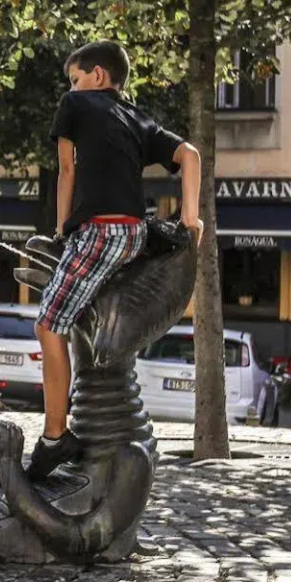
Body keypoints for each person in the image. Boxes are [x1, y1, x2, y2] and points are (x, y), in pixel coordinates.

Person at [29, 41, 203, 481]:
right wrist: (189, 217)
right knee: (77, 311)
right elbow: (190, 156)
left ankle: (55, 437)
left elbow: (66, 170)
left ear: (97, 77)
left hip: (100, 232)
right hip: (134, 234)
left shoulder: (76, 104)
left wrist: (62, 227)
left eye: (75, 77)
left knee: (49, 325)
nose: (72, 87)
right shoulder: (137, 117)